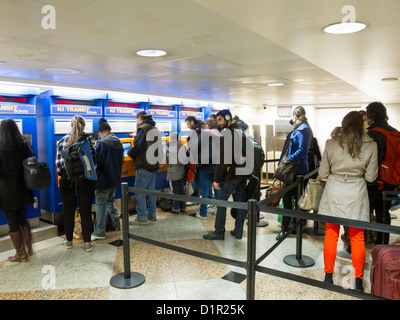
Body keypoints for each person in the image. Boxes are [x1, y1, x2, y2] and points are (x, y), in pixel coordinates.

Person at [319, 111, 378, 292]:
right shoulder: (371, 145)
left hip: (334, 191)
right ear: (362, 125)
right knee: (357, 237)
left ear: (343, 124)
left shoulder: (330, 143)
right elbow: (370, 177)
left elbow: (322, 174)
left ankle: (328, 276)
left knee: (331, 234)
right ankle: (358, 281)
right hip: (357, 194)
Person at [203, 109, 247, 240]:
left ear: (227, 118)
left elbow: (223, 160)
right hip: (242, 174)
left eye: (220, 120)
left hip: (232, 175)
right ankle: (238, 231)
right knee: (240, 203)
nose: (219, 123)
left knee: (221, 202)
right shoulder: (241, 131)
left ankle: (219, 231)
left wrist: (217, 179)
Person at [56, 115, 97, 252]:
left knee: (68, 211)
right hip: (86, 181)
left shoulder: (62, 141)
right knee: (85, 212)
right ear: (84, 126)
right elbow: (94, 163)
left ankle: (68, 241)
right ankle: (87, 243)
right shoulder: (88, 140)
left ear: (71, 126)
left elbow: (58, 167)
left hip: (67, 182)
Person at [0, 119, 35, 262]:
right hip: (23, 188)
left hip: (6, 192)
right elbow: (33, 162)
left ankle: (21, 254)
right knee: (22, 219)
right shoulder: (24, 144)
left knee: (13, 223)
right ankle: (29, 248)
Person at [365, 102, 399, 245]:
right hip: (390, 181)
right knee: (383, 214)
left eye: (367, 114)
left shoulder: (372, 134)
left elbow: (370, 159)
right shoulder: (394, 132)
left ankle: (355, 247)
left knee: (364, 214)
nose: (365, 118)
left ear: (372, 115)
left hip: (375, 181)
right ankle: (382, 245)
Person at [276, 106, 312, 240]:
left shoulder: (303, 129)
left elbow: (302, 150)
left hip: (297, 170)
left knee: (293, 201)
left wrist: (289, 159)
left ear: (295, 116)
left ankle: (291, 228)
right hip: (294, 170)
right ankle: (287, 228)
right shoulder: (301, 128)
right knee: (289, 201)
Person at [128, 111, 162, 225]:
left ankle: (142, 217)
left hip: (144, 165)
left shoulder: (143, 129)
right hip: (154, 165)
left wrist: (129, 152)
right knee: (151, 192)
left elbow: (138, 147)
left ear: (139, 118)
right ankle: (152, 215)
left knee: (140, 192)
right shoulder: (155, 128)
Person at [91, 118, 123, 241]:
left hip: (103, 179)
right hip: (114, 179)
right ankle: (116, 224)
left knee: (100, 204)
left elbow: (97, 163)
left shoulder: (102, 143)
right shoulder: (118, 141)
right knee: (110, 202)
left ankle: (99, 231)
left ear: (102, 132)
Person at [166, 132, 188, 214]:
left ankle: (176, 208)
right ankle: (183, 207)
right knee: (181, 189)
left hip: (174, 171)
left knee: (176, 191)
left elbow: (167, 160)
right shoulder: (182, 146)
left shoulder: (169, 147)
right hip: (181, 171)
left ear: (171, 138)